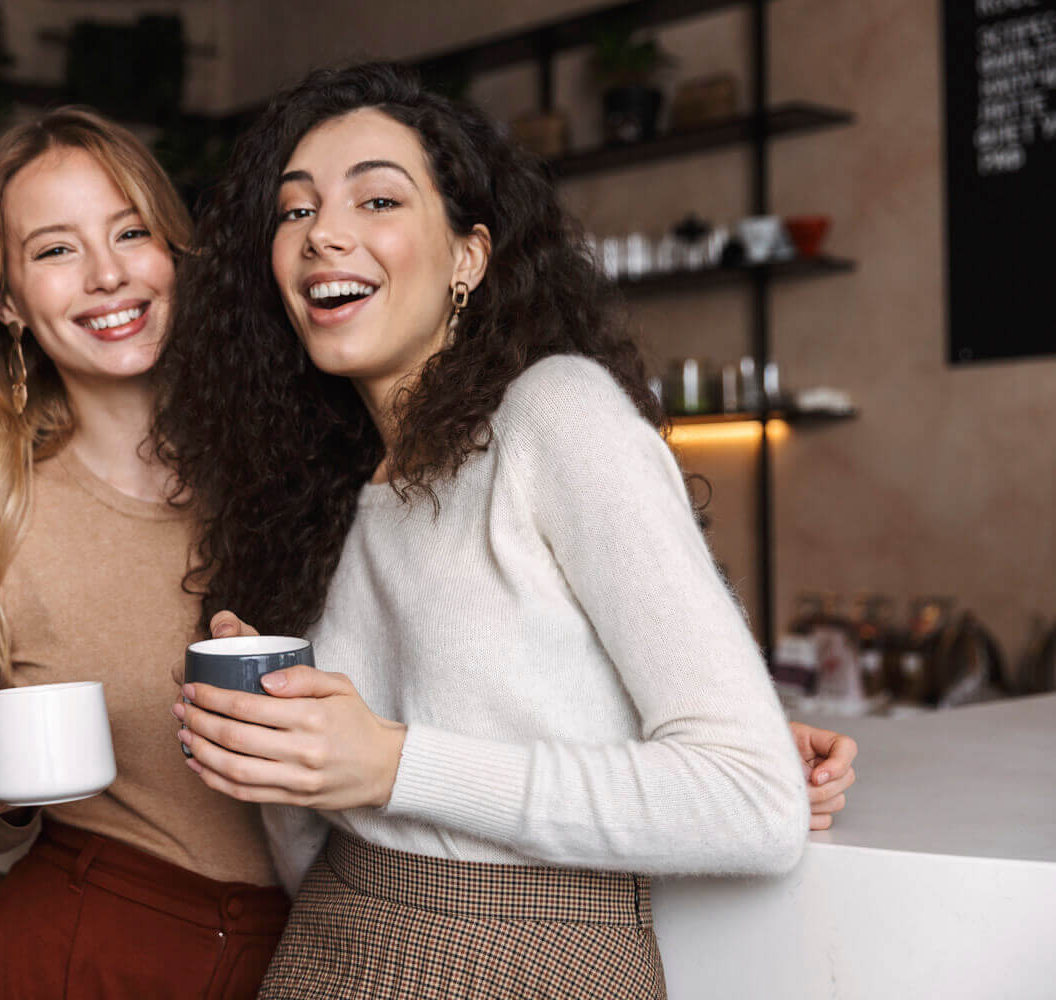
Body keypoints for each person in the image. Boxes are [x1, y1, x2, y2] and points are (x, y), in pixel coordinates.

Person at [155, 62, 856, 1000]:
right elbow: (323, 824)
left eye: (378, 200)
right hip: (327, 941)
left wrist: (392, 762)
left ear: (469, 257)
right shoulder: (319, 489)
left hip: (530, 958)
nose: (324, 232)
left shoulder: (555, 415)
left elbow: (753, 803)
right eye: (294, 211)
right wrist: (283, 739)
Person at [0, 108, 288, 1000]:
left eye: (131, 231)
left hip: (322, 953)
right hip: (91, 951)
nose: (109, 274)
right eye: (56, 250)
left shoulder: (292, 478)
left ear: (176, 255)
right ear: (7, 301)